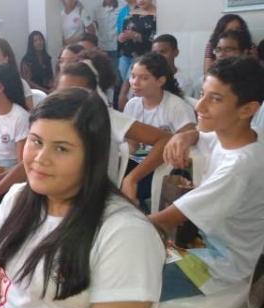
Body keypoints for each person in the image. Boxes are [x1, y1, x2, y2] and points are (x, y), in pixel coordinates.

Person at [0, 88, 165, 308]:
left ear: (93, 157)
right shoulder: (17, 199)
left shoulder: (125, 235)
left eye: (61, 148)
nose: (40, 158)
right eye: (36, 141)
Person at [151, 56, 264, 301]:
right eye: (202, 94)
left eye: (215, 99)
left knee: (117, 280)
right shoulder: (233, 137)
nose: (199, 107)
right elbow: (201, 137)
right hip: (202, 246)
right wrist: (184, 136)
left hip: (219, 267)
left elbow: (164, 221)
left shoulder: (239, 167)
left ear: (247, 109)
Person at [57, 50, 171, 203]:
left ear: (94, 92)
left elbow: (164, 139)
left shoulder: (107, 117)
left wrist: (132, 178)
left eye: (74, 93)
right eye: (61, 92)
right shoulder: (54, 118)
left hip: (92, 198)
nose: (65, 99)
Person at [124, 52, 195, 134]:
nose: (135, 82)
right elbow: (129, 140)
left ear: (160, 81)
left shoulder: (177, 107)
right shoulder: (131, 105)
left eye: (144, 78)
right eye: (133, 76)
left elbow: (188, 141)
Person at [117, 0, 156, 109]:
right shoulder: (131, 13)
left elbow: (155, 42)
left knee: (126, 90)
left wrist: (136, 35)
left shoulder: (158, 15)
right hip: (125, 56)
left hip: (141, 58)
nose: (141, 0)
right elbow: (123, 32)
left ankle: (126, 112)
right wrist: (121, 38)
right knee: (121, 85)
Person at [152, 34, 196, 98]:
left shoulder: (184, 82)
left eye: (163, 52)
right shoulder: (147, 77)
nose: (158, 56)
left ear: (176, 52)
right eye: (154, 53)